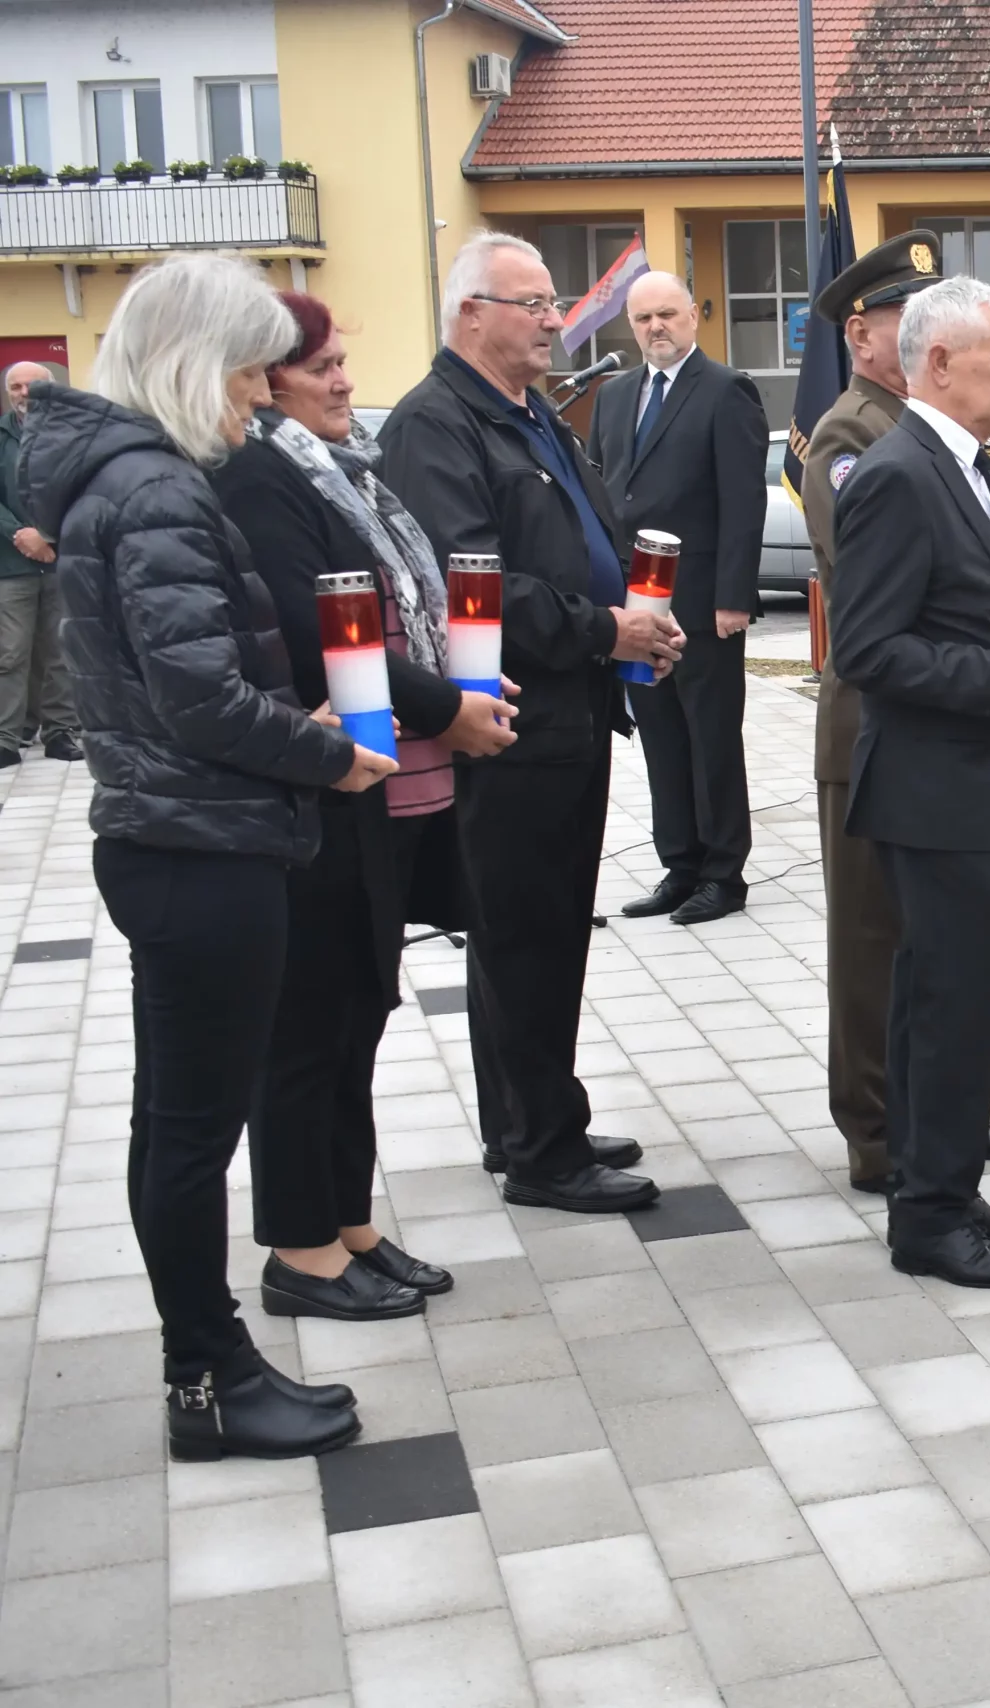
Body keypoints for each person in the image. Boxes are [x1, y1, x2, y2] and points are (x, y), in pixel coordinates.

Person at [18, 253, 398, 1458]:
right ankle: (210, 1379)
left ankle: (211, 1369)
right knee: (189, 1133)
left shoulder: (125, 480)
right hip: (202, 846)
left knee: (173, 1126)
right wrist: (326, 753)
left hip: (173, 839)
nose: (253, 397)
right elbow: (200, 699)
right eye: (243, 372)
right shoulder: (158, 493)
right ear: (192, 366)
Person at [211, 290, 519, 1323]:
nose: (344, 380)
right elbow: (324, 632)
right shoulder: (262, 474)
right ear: (264, 380)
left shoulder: (340, 471)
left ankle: (346, 1223)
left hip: (373, 778)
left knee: (359, 1007)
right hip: (319, 780)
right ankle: (300, 1252)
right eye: (320, 366)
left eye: (344, 362)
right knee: (310, 1022)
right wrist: (452, 709)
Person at [382, 231, 680, 1214]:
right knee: (523, 933)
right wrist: (604, 628)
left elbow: (583, 534)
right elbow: (472, 588)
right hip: (509, 718)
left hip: (568, 708)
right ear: (472, 312)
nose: (558, 320)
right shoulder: (437, 425)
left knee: (546, 931)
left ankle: (534, 1116)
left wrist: (640, 621)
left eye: (553, 303)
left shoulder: (526, 412)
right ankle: (541, 1148)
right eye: (535, 303)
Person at [829, 276, 990, 1288]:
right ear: (938, 364)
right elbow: (870, 651)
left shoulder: (961, 469)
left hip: (967, 777)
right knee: (950, 998)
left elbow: (968, 623)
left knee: (947, 994)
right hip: (930, 788)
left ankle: (941, 1179)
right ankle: (930, 1220)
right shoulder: (900, 473)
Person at [802, 232, 990, 1194]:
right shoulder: (864, 441)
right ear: (871, 336)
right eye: (902, 314)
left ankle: (939, 1125)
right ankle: (885, 1136)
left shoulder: (951, 451)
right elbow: (871, 623)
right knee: (882, 950)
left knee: (940, 966)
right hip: (887, 737)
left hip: (950, 747)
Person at [595, 270, 768, 926]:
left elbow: (742, 500)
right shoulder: (613, 397)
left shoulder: (726, 391)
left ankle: (724, 873)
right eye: (643, 319)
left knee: (711, 736)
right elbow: (605, 492)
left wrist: (734, 596)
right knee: (659, 734)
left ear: (693, 315)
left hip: (700, 602)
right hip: (635, 603)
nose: (655, 328)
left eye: (667, 314)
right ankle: (681, 863)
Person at [0, 359, 79, 767]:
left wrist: (48, 538)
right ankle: (6, 738)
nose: (23, 393)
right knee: (10, 654)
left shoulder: (72, 435)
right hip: (10, 566)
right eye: (15, 386)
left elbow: (81, 490)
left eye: (32, 385)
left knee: (61, 651)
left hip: (60, 559)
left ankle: (61, 732)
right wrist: (24, 537)